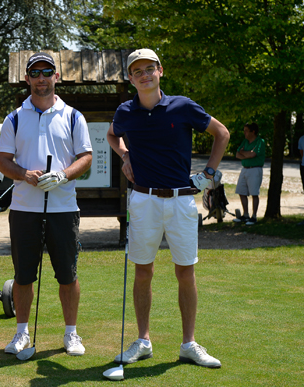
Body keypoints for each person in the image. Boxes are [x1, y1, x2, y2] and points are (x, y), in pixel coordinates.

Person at [106, 48, 229, 368]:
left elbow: (221, 133)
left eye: (150, 68)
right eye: (137, 71)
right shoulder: (126, 111)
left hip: (181, 200)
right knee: (143, 270)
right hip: (143, 200)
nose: (144, 75)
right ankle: (143, 341)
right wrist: (125, 155)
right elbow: (112, 135)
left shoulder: (182, 106)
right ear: (130, 78)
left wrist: (210, 174)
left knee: (185, 271)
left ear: (161, 70)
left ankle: (189, 343)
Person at [0, 52, 93, 356]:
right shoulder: (14, 117)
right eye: (35, 73)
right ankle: (22, 333)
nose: (41, 78)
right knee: (24, 275)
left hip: (63, 208)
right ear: (27, 78)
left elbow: (86, 158)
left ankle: (71, 334)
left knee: (68, 274)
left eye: (47, 72)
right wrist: (24, 175)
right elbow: (3, 161)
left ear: (56, 76)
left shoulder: (74, 116)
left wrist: (63, 176)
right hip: (25, 209)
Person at [232, 123, 265, 225]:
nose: (244, 133)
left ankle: (254, 217)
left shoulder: (260, 142)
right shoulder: (245, 141)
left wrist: (244, 153)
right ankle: (245, 215)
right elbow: (237, 154)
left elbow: (253, 154)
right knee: (241, 191)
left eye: (246, 130)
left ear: (253, 131)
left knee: (254, 193)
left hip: (255, 170)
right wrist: (247, 154)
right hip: (244, 169)